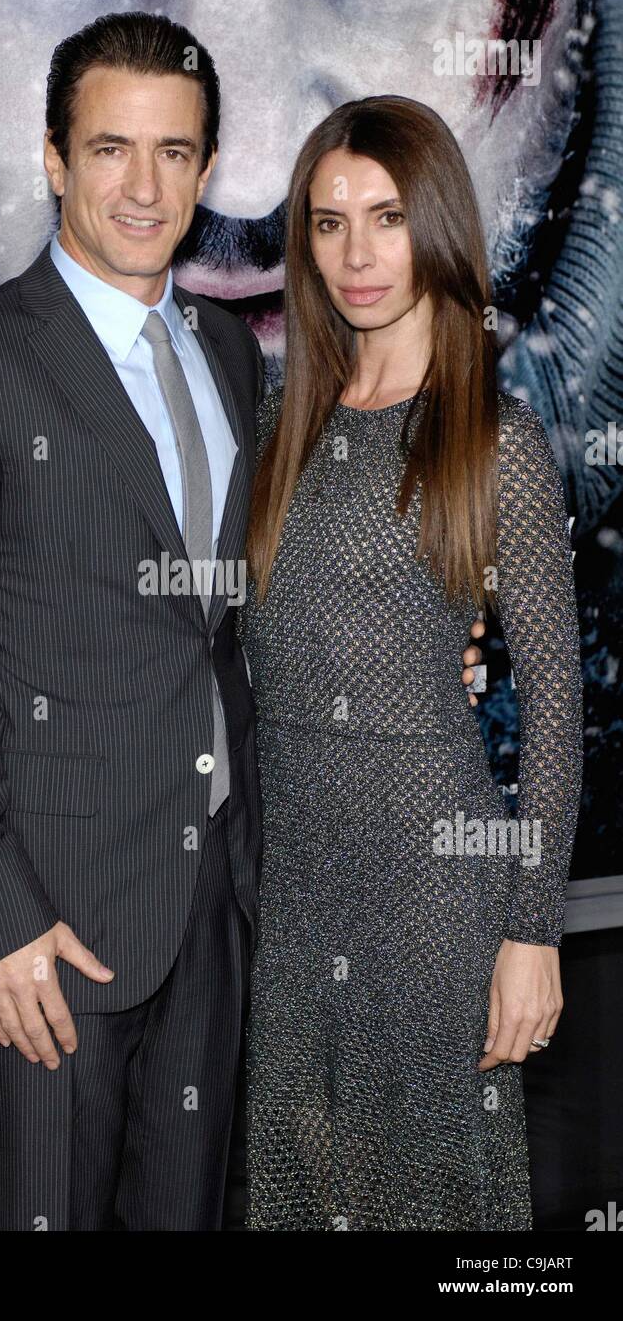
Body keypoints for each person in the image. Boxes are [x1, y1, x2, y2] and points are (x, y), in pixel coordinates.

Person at [0, 14, 484, 1231]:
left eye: (173, 152)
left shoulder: (227, 352)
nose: (142, 187)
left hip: (218, 906)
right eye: (109, 150)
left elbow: (247, 603)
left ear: (206, 171)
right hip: (52, 927)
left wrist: (413, 653)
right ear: (53, 159)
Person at [239, 96, 584, 1231]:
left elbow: (553, 709)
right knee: (300, 1192)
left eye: (384, 217)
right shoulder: (283, 423)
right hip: (291, 892)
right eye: (327, 222)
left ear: (432, 221)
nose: (354, 253)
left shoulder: (494, 441)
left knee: (434, 1207)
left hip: (431, 891)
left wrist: (530, 930)